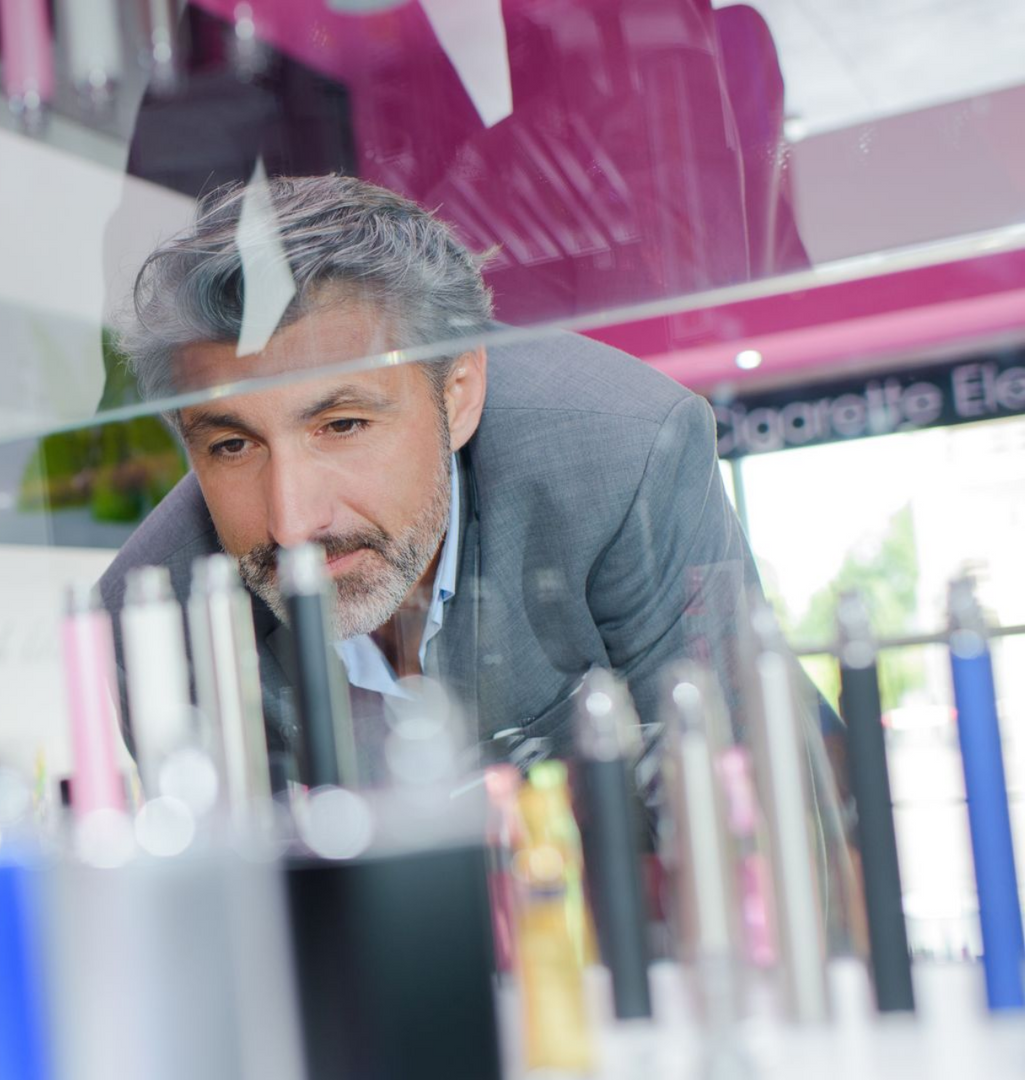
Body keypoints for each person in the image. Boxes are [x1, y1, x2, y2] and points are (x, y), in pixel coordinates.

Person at [98, 173, 799, 776]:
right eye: (232, 446)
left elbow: (751, 809)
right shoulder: (154, 615)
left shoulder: (625, 461)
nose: (291, 521)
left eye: (342, 426)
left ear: (458, 394)